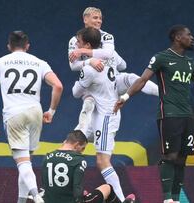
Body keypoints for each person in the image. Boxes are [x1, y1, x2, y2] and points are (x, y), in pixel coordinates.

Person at [114, 25, 194, 203]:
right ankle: (166, 199)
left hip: (188, 115)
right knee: (170, 156)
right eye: (189, 35)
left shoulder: (190, 63)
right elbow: (142, 80)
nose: (192, 37)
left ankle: (175, 198)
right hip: (169, 113)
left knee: (182, 158)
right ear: (177, 37)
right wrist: (125, 97)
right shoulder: (161, 58)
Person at [0, 31, 63, 203]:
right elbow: (58, 85)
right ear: (28, 46)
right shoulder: (40, 62)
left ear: (9, 46)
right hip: (35, 112)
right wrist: (51, 111)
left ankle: (36, 197)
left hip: (14, 114)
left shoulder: (0, 62)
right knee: (26, 161)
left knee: (23, 163)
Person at [68, 6, 159, 136]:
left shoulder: (106, 37)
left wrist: (83, 51)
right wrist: (89, 61)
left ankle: (163, 93)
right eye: (95, 17)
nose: (99, 21)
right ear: (85, 19)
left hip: (113, 81)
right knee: (89, 108)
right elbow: (73, 65)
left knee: (132, 78)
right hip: (94, 85)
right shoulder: (75, 41)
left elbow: (114, 57)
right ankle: (78, 137)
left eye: (100, 18)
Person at [72, 27, 135, 202]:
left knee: (102, 161)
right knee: (72, 146)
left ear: (87, 44)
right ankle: (74, 194)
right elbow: (122, 64)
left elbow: (75, 92)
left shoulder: (92, 67)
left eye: (79, 42)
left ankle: (122, 200)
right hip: (95, 115)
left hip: (106, 115)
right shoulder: (108, 55)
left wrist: (86, 62)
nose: (76, 44)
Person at [41, 130, 135, 203]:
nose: (82, 151)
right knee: (107, 188)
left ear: (65, 141)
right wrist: (80, 197)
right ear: (77, 145)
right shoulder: (78, 159)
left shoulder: (47, 157)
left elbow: (46, 186)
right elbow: (77, 186)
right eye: (82, 148)